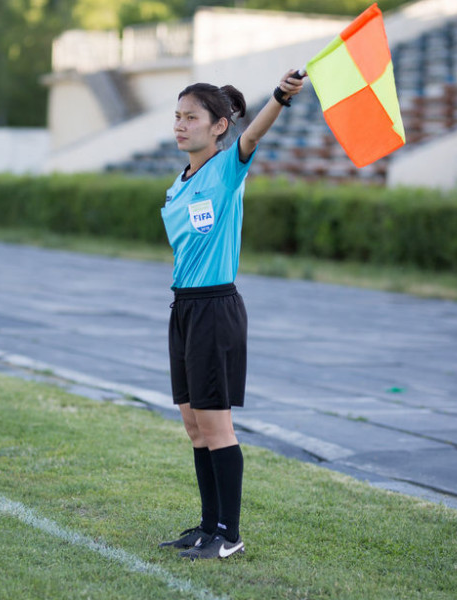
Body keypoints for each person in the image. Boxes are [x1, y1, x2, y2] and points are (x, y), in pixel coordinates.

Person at [157, 70, 305, 561]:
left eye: (191, 118)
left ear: (218, 126)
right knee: (194, 425)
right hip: (184, 308)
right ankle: (206, 526)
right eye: (177, 117)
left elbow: (255, 133)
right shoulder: (179, 183)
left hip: (216, 308)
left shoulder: (227, 168)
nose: (180, 125)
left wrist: (280, 96)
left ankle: (230, 533)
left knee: (217, 428)